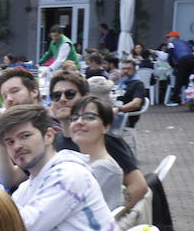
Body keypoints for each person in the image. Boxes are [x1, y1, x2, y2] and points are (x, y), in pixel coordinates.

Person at [0, 105, 131, 231]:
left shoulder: (68, 175)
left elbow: (20, 230)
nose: (17, 146)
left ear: (48, 136)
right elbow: (7, 217)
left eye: (25, 136)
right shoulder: (30, 184)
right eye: (10, 142)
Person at [48, 72, 148, 211]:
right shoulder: (53, 140)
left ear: (85, 98)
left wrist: (113, 214)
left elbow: (139, 185)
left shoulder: (103, 141)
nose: (62, 99)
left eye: (69, 94)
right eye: (56, 96)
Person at [68, 95, 124, 212]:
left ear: (105, 127)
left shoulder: (104, 169)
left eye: (89, 117)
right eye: (74, 118)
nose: (79, 122)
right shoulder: (80, 162)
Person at [115, 59, 148, 127]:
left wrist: (118, 109)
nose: (126, 71)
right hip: (116, 114)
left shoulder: (138, 84)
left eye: (129, 69)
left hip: (126, 118)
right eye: (123, 69)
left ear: (135, 71)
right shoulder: (121, 82)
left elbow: (136, 104)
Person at [166, 30, 194, 104]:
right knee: (188, 80)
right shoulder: (186, 43)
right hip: (192, 59)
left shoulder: (171, 44)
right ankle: (189, 98)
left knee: (178, 81)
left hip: (183, 60)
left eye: (169, 37)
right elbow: (193, 52)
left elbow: (170, 57)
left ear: (174, 37)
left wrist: (174, 66)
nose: (168, 39)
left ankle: (174, 99)